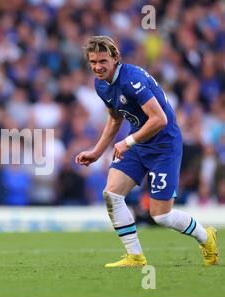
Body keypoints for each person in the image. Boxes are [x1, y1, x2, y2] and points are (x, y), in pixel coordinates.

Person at [75, 36, 219, 267]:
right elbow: (114, 119)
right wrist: (97, 151)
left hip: (164, 146)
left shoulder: (132, 79)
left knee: (161, 215)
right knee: (111, 194)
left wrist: (127, 142)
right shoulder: (101, 84)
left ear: (116, 58)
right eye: (93, 62)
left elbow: (159, 119)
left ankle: (206, 237)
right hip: (139, 144)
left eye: (102, 60)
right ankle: (135, 257)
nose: (97, 67)